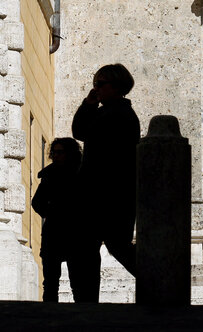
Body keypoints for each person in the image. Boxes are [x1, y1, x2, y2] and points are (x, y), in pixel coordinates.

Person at [72, 63, 140, 302]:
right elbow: (80, 132)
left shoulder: (118, 115)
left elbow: (82, 132)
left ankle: (159, 279)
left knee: (109, 245)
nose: (96, 88)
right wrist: (89, 105)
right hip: (102, 192)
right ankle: (87, 301)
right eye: (95, 83)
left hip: (108, 193)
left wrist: (89, 107)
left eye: (101, 84)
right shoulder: (108, 112)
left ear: (117, 86)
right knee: (97, 246)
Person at [32, 138, 83, 302]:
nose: (55, 156)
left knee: (78, 284)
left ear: (70, 154)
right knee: (50, 285)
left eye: (60, 152)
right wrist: (51, 213)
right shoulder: (49, 175)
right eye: (53, 152)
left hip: (75, 233)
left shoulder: (81, 173)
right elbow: (37, 202)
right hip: (52, 234)